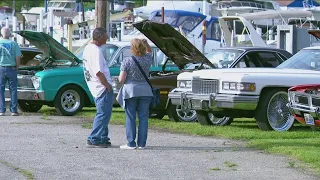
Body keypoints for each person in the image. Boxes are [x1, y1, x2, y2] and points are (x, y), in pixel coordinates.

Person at [117, 38, 153, 150]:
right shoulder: (147, 59)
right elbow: (150, 51)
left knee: (131, 117)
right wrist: (146, 43)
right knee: (143, 118)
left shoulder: (127, 61)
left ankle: (131, 143)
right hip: (146, 91)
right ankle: (142, 144)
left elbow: (121, 79)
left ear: (132, 48)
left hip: (131, 91)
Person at [82, 27, 113, 148]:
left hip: (94, 86)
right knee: (103, 114)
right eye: (106, 36)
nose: (107, 38)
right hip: (101, 87)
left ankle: (103, 137)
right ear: (100, 37)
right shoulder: (96, 51)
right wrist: (107, 86)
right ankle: (94, 138)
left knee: (104, 113)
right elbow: (98, 72)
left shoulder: (88, 48)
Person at [0, 27, 21, 116]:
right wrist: (17, 67)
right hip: (11, 69)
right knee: (13, 90)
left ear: (1, 34)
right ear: (10, 35)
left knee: (1, 90)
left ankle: (1, 110)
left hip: (1, 68)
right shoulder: (14, 44)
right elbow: (18, 57)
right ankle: (13, 110)